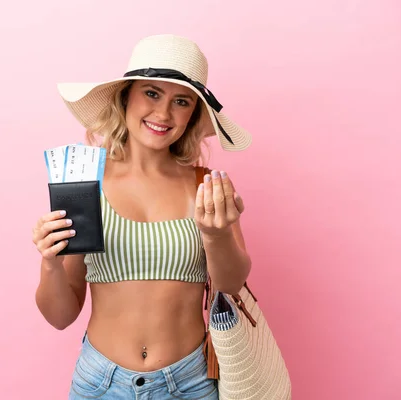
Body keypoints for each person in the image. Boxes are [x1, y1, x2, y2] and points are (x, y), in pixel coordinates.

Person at [34, 34, 252, 399]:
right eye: (151, 93)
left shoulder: (205, 186)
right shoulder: (85, 183)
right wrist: (51, 263)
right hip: (100, 384)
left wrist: (217, 235)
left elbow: (230, 285)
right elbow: (61, 316)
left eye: (180, 101)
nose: (163, 114)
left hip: (192, 384)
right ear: (126, 97)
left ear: (193, 115)